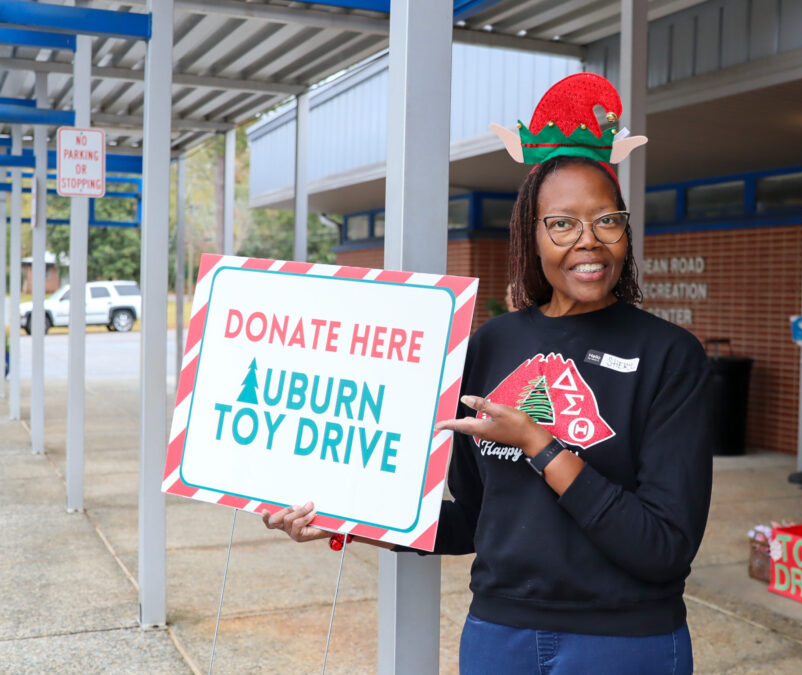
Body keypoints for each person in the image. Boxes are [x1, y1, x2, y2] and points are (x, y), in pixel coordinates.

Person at [264, 74, 712, 674]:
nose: (588, 241)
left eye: (607, 220)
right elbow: (472, 522)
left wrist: (538, 443)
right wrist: (344, 519)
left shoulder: (669, 356)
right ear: (532, 234)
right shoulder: (490, 346)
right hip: (498, 637)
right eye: (563, 223)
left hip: (625, 642)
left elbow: (664, 549)